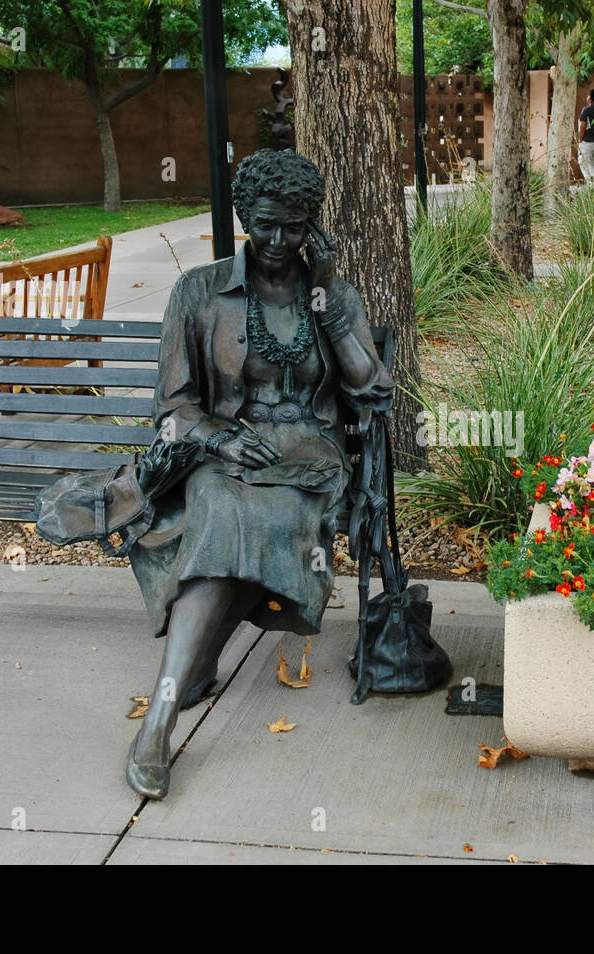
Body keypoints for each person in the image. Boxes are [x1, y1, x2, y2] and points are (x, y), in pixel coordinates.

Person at [124, 149, 394, 800]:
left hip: (310, 454)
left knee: (246, 513)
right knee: (219, 502)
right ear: (246, 218)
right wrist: (218, 437)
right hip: (226, 454)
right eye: (266, 225)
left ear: (312, 227)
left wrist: (328, 300)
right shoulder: (199, 290)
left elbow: (371, 389)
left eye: (294, 227)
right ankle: (162, 717)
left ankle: (184, 680)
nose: (278, 241)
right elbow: (173, 405)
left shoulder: (332, 294)